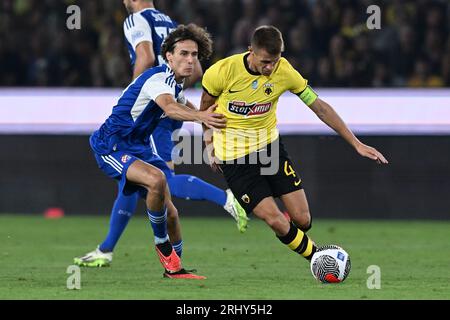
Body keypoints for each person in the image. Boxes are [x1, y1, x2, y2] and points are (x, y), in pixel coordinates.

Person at [74, 0, 247, 269]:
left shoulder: (136, 19)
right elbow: (189, 81)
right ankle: (109, 249)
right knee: (140, 186)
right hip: (138, 128)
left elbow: (145, 58)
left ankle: (223, 200)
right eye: (185, 55)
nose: (190, 59)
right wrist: (201, 118)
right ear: (172, 56)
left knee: (161, 182)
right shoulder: (170, 24)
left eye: (193, 55)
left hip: (147, 124)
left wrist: (137, 93)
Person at [200, 26, 388, 264]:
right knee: (276, 220)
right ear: (251, 51)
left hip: (270, 149)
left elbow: (319, 107)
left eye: (275, 61)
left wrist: (356, 143)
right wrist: (208, 143)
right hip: (234, 158)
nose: (270, 68)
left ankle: (286, 230)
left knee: (303, 221)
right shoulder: (222, 72)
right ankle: (320, 260)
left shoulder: (285, 71)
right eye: (266, 62)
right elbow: (205, 108)